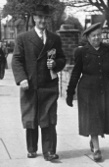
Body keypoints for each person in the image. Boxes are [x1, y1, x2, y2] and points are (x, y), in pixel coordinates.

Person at [66, 22, 109, 162]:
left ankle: (93, 141)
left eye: (99, 35)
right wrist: (70, 92)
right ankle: (96, 149)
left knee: (100, 118)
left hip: (104, 89)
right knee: (93, 119)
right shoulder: (81, 52)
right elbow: (76, 73)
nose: (96, 38)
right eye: (93, 36)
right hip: (87, 91)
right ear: (88, 38)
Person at [12, 4, 66, 161]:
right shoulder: (23, 38)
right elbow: (16, 60)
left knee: (49, 118)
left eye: (45, 17)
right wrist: (22, 78)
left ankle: (49, 151)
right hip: (30, 85)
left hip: (48, 85)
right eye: (40, 17)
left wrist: (56, 64)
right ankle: (31, 148)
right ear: (34, 18)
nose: (42, 20)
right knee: (32, 118)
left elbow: (62, 58)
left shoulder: (54, 38)